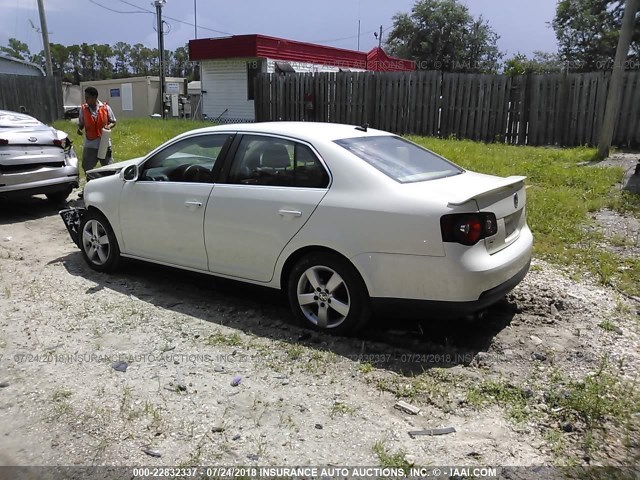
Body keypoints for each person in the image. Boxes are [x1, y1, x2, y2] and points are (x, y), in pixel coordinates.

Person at [77, 86, 116, 175]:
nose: (86, 100)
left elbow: (113, 121)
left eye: (88, 97)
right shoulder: (83, 109)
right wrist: (79, 129)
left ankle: (108, 185)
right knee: (87, 167)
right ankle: (92, 183)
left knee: (109, 168)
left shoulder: (106, 108)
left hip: (104, 144)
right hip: (90, 144)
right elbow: (81, 123)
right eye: (85, 97)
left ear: (94, 97)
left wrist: (109, 126)